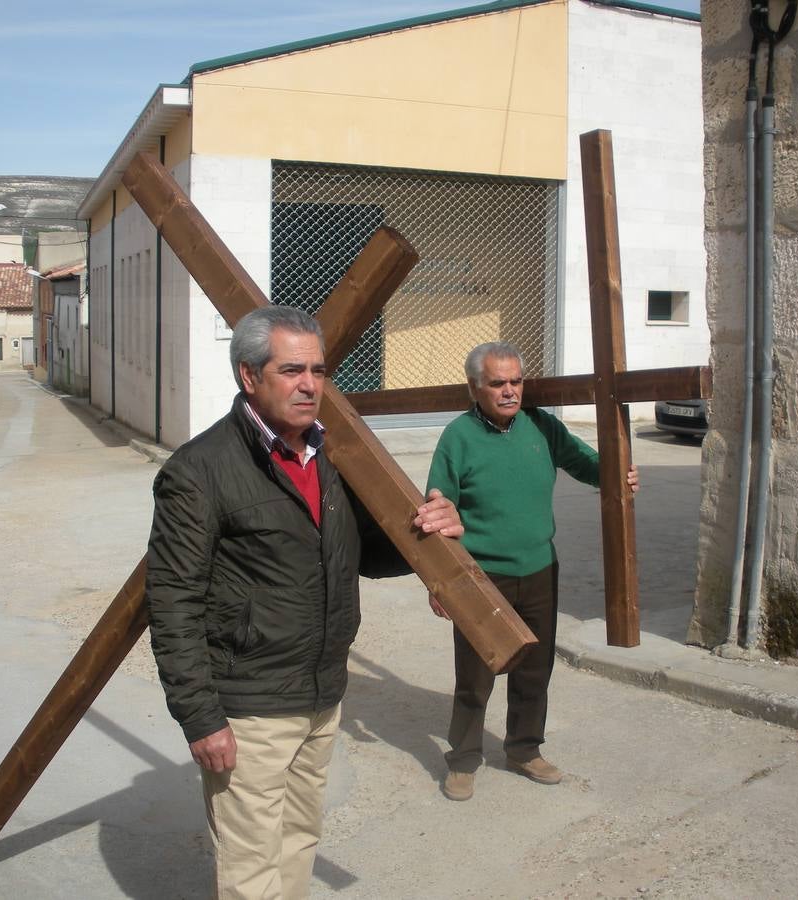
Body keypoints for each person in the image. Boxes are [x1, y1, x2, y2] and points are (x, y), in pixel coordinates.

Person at [145, 305, 463, 898]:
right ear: (248, 376)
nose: (310, 385)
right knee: (251, 868)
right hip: (250, 707)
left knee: (298, 841)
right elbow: (173, 604)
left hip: (321, 695)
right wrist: (201, 717)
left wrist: (427, 531)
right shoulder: (198, 472)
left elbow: (366, 552)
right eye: (292, 370)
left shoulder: (331, 457)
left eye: (318, 370)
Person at [426, 341, 638, 802]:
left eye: (516, 381)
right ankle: (462, 760)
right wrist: (439, 580)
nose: (509, 391)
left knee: (535, 670)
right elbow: (437, 511)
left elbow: (586, 464)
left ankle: (524, 749)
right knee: (476, 674)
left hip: (540, 568)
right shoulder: (458, 437)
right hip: (481, 578)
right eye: (497, 383)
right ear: (474, 387)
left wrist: (617, 473)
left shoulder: (542, 426)